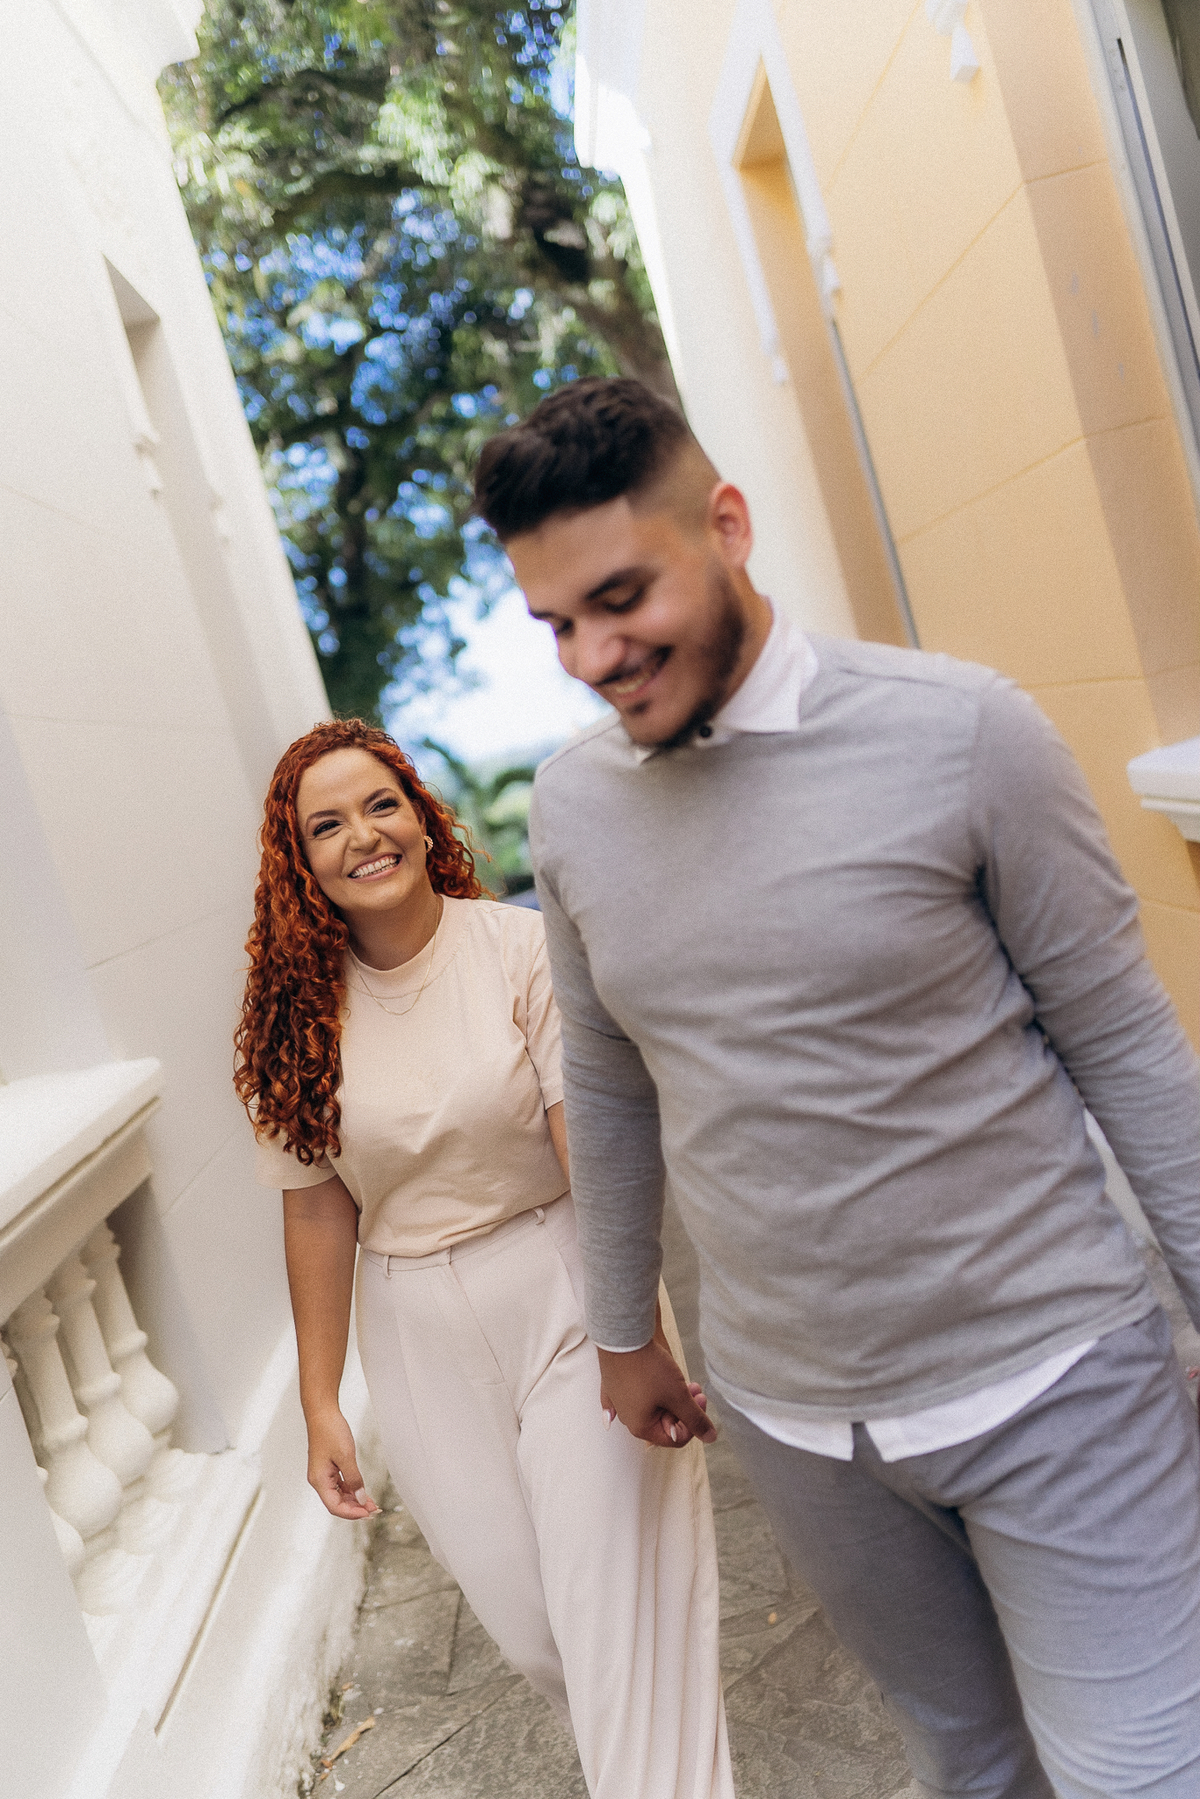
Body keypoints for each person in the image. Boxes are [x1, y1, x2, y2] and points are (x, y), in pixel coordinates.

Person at [472, 376, 1200, 1799]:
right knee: (972, 1767)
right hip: (798, 1420)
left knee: (1143, 1770)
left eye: (621, 596)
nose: (594, 656)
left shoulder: (968, 733)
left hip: (1057, 1374)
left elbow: (1125, 1042)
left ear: (727, 526)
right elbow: (607, 1081)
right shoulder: (573, 808)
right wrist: (622, 1329)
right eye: (556, 623)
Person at [234, 717, 734, 1799]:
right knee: (539, 1632)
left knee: (617, 1612)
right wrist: (320, 1400)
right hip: (413, 1324)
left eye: (382, 803)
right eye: (327, 824)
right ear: (299, 862)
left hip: (561, 1278)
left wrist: (630, 1331)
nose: (364, 835)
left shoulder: (518, 950)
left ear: (422, 817)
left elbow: (584, 1143)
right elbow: (316, 1211)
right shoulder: (295, 1020)